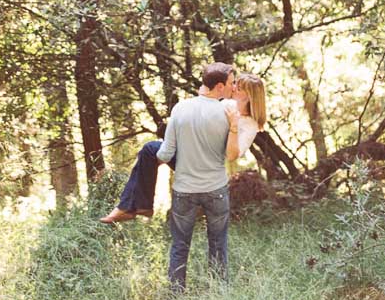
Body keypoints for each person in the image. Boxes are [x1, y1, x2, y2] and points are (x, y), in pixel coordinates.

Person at [99, 71, 265, 224]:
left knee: (150, 151)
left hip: (205, 163)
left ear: (249, 96)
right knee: (149, 151)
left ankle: (132, 207)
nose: (234, 88)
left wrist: (233, 127)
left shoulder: (249, 125)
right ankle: (136, 207)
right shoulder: (225, 105)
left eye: (240, 87)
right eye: (234, 84)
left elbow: (232, 155)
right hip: (191, 150)